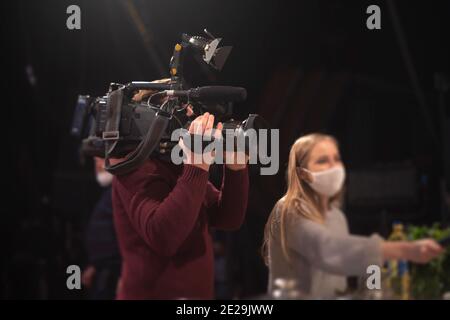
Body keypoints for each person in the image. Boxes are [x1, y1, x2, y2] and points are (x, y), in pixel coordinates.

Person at [263, 133, 444, 298]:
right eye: (322, 160)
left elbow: (355, 262)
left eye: (336, 159)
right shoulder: (289, 209)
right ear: (302, 173)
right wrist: (406, 250)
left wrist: (374, 284)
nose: (333, 167)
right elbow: (328, 250)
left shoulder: (336, 217)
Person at [112, 86, 249, 299]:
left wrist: (235, 170)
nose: (190, 115)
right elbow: (164, 237)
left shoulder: (177, 163)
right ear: (151, 118)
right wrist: (196, 166)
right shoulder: (134, 167)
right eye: (180, 109)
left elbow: (227, 218)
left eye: (189, 108)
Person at [82, 157, 121, 299]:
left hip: (120, 276)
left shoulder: (125, 192)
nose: (99, 163)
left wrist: (126, 275)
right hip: (103, 274)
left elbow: (134, 239)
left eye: (104, 156)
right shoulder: (108, 193)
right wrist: (95, 265)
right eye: (96, 159)